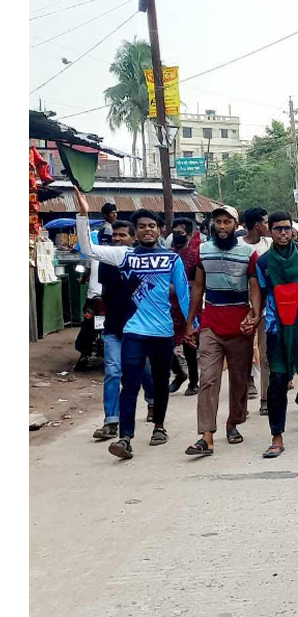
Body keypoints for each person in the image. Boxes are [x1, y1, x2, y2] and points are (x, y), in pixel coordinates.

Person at [75, 189, 191, 459]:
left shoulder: (171, 259)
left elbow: (184, 295)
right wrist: (83, 215)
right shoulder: (124, 255)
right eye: (142, 227)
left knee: (161, 382)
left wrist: (192, 326)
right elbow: (87, 248)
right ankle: (125, 438)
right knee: (130, 383)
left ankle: (159, 426)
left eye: (152, 226)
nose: (147, 230)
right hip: (133, 331)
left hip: (163, 332)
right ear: (136, 231)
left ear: (160, 230)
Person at [251, 211, 298, 458]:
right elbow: (259, 295)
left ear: (293, 230)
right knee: (277, 383)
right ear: (269, 231)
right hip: (276, 329)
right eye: (278, 229)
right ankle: (277, 436)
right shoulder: (262, 263)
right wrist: (253, 317)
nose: (283, 233)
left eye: (287, 228)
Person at [182, 206, 258, 457]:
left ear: (236, 225)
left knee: (239, 381)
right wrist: (191, 321)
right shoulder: (203, 251)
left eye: (227, 222)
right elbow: (198, 287)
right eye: (218, 222)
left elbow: (255, 287)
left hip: (239, 325)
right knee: (209, 379)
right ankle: (206, 436)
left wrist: (255, 315)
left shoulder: (248, 253)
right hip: (211, 324)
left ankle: (233, 422)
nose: (222, 226)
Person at [87, 219, 154, 440]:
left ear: (133, 239)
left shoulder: (142, 262)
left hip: (137, 328)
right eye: (115, 235)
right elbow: (107, 290)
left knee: (142, 369)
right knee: (113, 371)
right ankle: (111, 422)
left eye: (122, 235)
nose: (117, 238)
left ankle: (153, 402)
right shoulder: (106, 262)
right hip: (113, 327)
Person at [241, 207, 273, 412]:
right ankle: (242, 397)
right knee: (241, 355)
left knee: (265, 355)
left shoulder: (269, 244)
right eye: (266, 222)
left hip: (265, 308)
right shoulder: (237, 247)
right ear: (257, 225)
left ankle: (266, 399)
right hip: (241, 307)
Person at [167, 217, 202, 396]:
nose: (176, 235)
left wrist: (180, 286)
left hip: (189, 305)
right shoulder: (169, 254)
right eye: (174, 232)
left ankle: (194, 382)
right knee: (166, 343)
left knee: (190, 345)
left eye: (180, 232)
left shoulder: (195, 254)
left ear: (188, 234)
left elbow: (198, 282)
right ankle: (179, 374)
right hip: (169, 306)